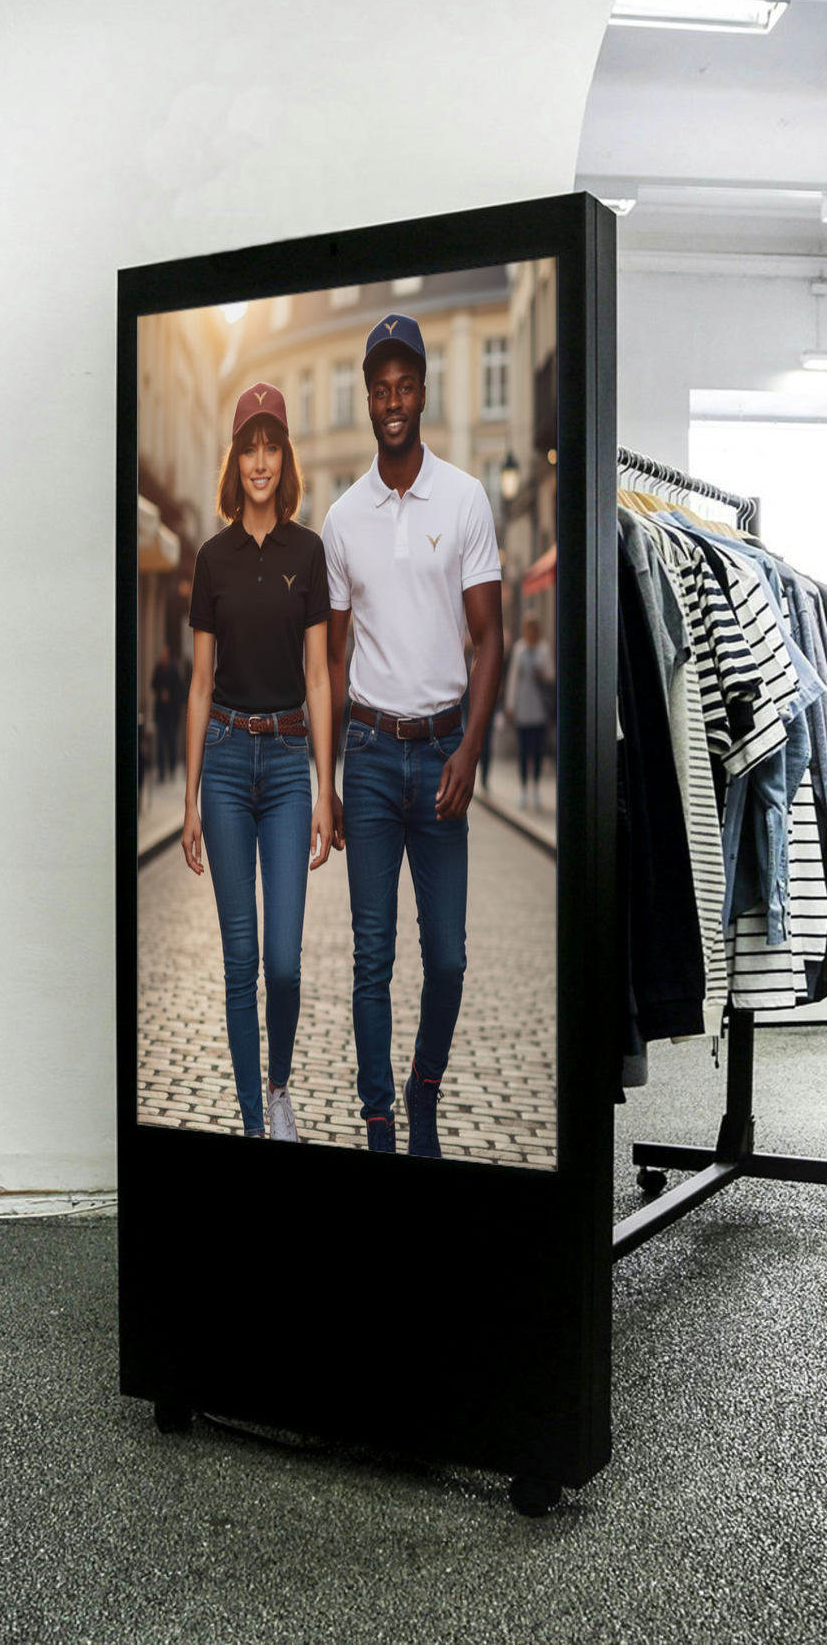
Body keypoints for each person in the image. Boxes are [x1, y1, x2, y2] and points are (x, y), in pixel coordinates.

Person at [324, 313, 504, 1157]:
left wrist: (470, 749)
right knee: (371, 957)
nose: (392, 401)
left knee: (450, 959)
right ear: (368, 399)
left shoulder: (465, 499)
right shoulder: (342, 518)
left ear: (422, 392)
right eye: (380, 388)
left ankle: (423, 1082)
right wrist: (326, 778)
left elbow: (491, 637)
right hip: (365, 754)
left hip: (439, 757)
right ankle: (378, 1117)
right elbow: (331, 658)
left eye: (405, 386)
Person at [179, 383, 336, 1140]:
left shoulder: (310, 552)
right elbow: (200, 685)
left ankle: (280, 1088)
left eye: (272, 445)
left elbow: (318, 676)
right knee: (239, 960)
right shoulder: (212, 558)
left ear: (286, 456)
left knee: (283, 963)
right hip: (226, 759)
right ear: (235, 457)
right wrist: (187, 802)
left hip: (285, 767)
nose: (261, 460)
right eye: (250, 445)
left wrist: (325, 788)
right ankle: (251, 1123)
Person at [504, 613, 554, 809]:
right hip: (524, 706)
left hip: (539, 708)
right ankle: (524, 788)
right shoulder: (519, 649)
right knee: (524, 750)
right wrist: (510, 704)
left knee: (538, 750)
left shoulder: (544, 649)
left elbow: (551, 675)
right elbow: (513, 679)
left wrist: (544, 675)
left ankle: (537, 788)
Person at [150, 644, 186, 780]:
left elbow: (180, 690)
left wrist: (170, 697)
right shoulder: (158, 669)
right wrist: (161, 693)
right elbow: (153, 684)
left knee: (171, 741)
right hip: (160, 711)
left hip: (171, 712)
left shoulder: (173, 670)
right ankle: (161, 772)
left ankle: (171, 768)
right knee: (159, 742)